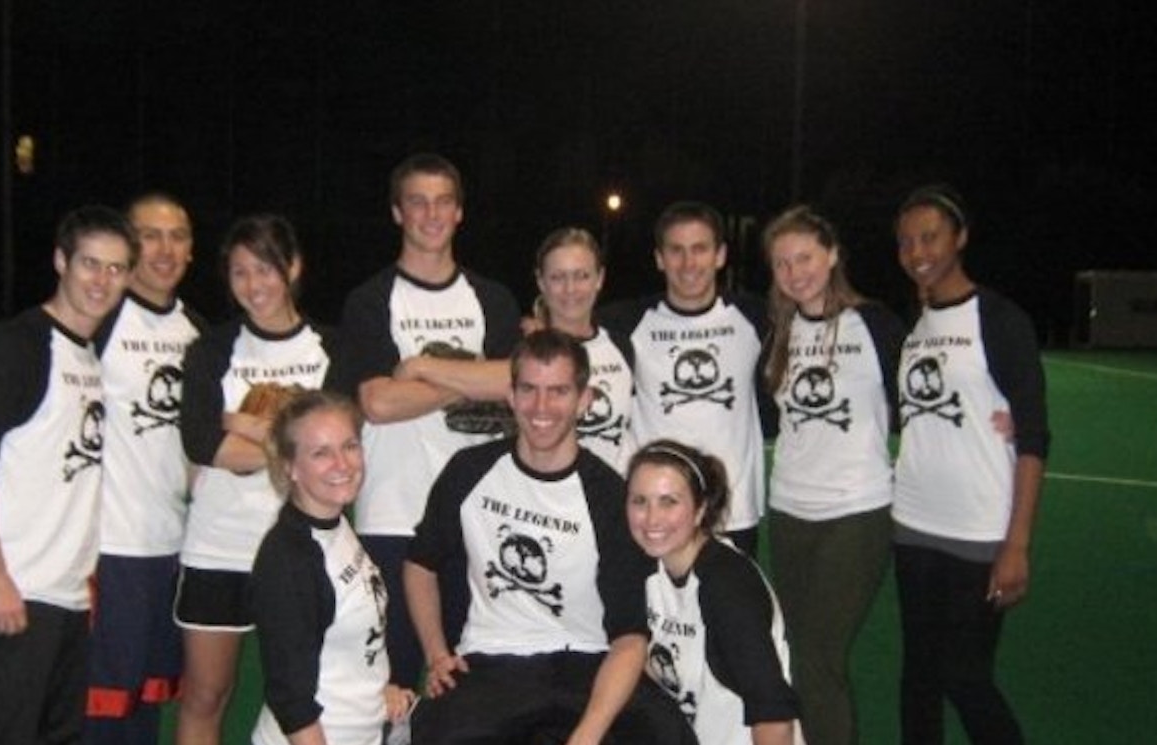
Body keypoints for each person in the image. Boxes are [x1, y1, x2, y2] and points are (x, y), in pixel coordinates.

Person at [403, 330, 695, 745]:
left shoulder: (611, 495)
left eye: (558, 391)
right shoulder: (468, 471)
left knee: (669, 734)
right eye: (529, 390)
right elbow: (420, 563)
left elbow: (630, 638)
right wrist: (436, 655)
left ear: (584, 399)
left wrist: (587, 736)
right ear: (510, 395)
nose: (542, 407)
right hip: (492, 663)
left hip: (588, 663)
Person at [0, 205, 136, 745]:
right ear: (60, 261)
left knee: (59, 735)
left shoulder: (87, 356)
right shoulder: (18, 348)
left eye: (116, 269)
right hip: (15, 588)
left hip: (64, 591)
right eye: (90, 264)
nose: (102, 281)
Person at [325, 153, 521, 691]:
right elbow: (378, 403)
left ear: (459, 212)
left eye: (442, 202)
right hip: (392, 518)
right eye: (417, 202)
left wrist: (427, 368)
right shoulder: (370, 301)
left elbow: (518, 382)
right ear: (397, 213)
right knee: (393, 687)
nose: (431, 214)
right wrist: (472, 376)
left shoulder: (493, 298)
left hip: (477, 517)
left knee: (467, 682)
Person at [891, 185, 1049, 744]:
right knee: (919, 676)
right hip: (912, 525)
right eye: (906, 241)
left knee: (964, 673)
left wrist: (1017, 543)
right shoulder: (915, 323)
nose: (917, 251)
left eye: (929, 237)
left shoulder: (1000, 319)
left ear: (960, 237)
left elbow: (1034, 438)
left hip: (979, 529)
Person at [175, 214, 331, 745]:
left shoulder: (328, 349)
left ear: (292, 267)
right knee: (204, 695)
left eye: (265, 269)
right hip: (217, 546)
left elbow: (328, 453)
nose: (253, 285)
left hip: (297, 551)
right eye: (239, 273)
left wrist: (236, 422)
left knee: (303, 701)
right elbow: (200, 444)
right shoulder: (212, 350)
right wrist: (287, 442)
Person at [760, 206, 905, 745]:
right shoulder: (778, 329)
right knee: (796, 651)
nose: (796, 272)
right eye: (782, 263)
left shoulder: (876, 324)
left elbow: (921, 395)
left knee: (820, 660)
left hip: (856, 512)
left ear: (833, 255)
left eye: (805, 257)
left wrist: (993, 421)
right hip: (791, 512)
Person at [87, 193, 206, 744]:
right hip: (108, 547)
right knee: (101, 705)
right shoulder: (99, 320)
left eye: (177, 235)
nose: (165, 249)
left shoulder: (199, 335)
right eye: (150, 235)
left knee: (148, 701)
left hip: (173, 547)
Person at [599, 201, 771, 556]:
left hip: (732, 513)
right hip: (655, 515)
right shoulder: (627, 323)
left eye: (700, 249)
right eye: (676, 251)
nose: (688, 264)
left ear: (720, 255)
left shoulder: (755, 318)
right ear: (659, 259)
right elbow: (571, 326)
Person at [250, 391, 415, 745]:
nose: (342, 464)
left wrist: (379, 689)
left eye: (350, 446)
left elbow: (348, 644)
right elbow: (290, 699)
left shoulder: (335, 526)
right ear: (290, 467)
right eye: (321, 453)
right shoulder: (288, 559)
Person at [626, 439, 801, 745]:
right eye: (640, 501)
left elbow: (774, 718)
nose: (652, 518)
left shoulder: (727, 585)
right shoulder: (644, 571)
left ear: (700, 509)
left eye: (669, 502)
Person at [525, 227, 635, 472]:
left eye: (582, 276)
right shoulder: (523, 351)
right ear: (541, 282)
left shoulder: (623, 347)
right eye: (558, 277)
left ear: (600, 278)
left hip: (610, 500)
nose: (570, 289)